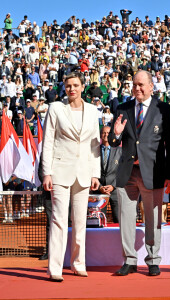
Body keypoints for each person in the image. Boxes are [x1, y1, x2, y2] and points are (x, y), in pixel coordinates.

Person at [108, 70, 170, 277]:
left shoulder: (164, 109)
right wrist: (116, 133)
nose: (137, 88)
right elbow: (112, 142)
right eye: (135, 84)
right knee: (126, 218)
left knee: (153, 218)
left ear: (151, 87)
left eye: (141, 85)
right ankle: (129, 260)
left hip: (153, 173)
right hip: (127, 173)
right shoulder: (123, 108)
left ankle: (153, 260)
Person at [42, 72, 101, 282]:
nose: (72, 89)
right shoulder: (56, 108)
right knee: (58, 219)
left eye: (75, 85)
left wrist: (96, 173)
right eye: (68, 86)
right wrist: (46, 172)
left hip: (84, 172)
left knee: (80, 222)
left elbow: (95, 144)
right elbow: (48, 141)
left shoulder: (93, 111)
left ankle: (78, 263)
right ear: (64, 88)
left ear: (83, 87)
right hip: (59, 170)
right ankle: (55, 267)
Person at [97, 126, 122, 223]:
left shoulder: (119, 151)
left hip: (115, 191)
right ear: (100, 135)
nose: (106, 135)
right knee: (99, 221)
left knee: (118, 220)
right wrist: (100, 187)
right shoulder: (94, 150)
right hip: (99, 192)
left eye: (108, 133)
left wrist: (113, 186)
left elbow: (122, 171)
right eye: (103, 132)